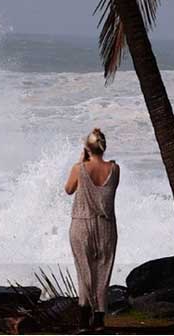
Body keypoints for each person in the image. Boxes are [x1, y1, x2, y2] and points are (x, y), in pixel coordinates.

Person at [64, 128, 120, 332]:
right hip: (106, 225)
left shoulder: (79, 168)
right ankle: (98, 320)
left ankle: (82, 318)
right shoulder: (115, 169)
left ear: (87, 147)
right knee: (103, 270)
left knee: (84, 271)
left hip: (82, 225)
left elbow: (69, 189)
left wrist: (81, 161)